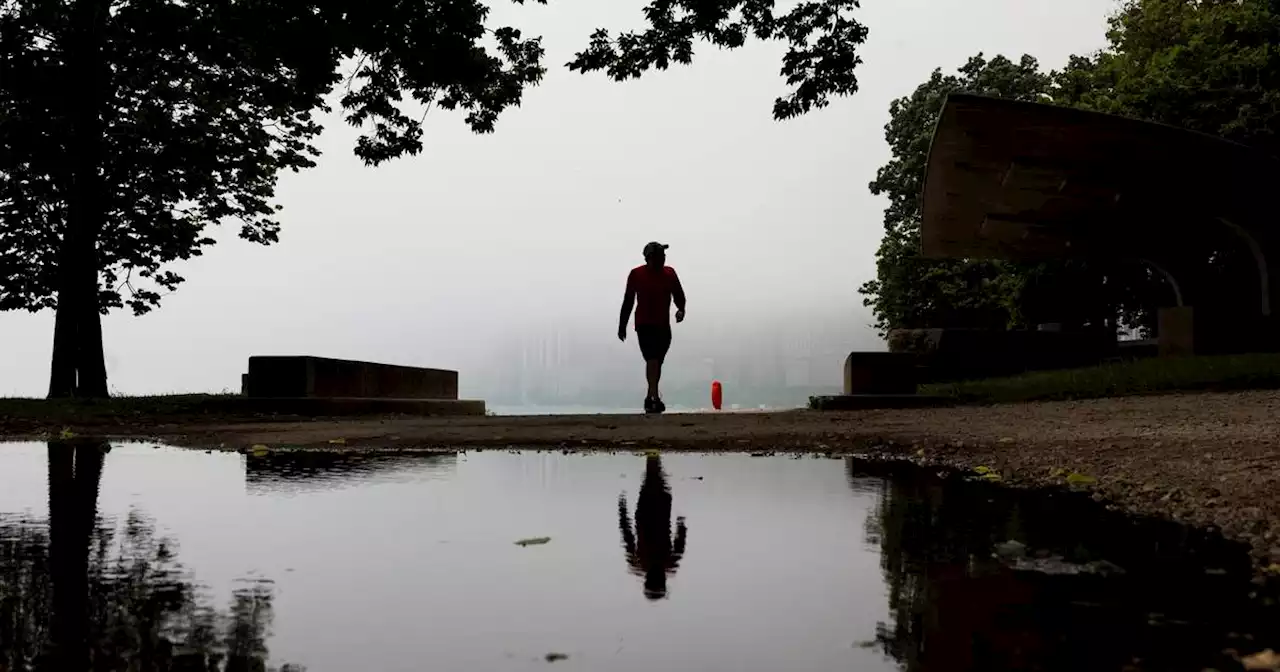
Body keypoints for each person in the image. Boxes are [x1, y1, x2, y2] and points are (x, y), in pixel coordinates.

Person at [618, 241, 686, 414]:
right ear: (649, 259)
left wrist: (681, 310)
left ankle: (650, 397)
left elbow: (679, 294)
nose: (663, 259)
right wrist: (622, 324)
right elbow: (628, 300)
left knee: (657, 362)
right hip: (645, 325)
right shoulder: (636, 274)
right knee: (652, 359)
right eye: (659, 257)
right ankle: (654, 398)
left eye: (664, 256)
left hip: (664, 325)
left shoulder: (669, 273)